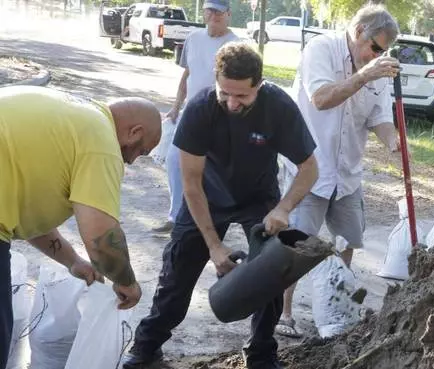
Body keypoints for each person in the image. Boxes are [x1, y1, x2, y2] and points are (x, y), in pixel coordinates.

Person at [122, 43, 318, 369]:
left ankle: (260, 352)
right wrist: (214, 245)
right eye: (225, 92)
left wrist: (283, 208)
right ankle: (146, 346)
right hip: (207, 196)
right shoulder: (200, 108)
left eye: (242, 96)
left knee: (271, 271)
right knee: (177, 275)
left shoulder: (278, 107)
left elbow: (310, 168)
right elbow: (191, 184)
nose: (231, 102)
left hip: (258, 196)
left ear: (259, 84)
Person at [0, 86, 161, 368]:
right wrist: (126, 282)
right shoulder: (101, 141)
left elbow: (29, 209)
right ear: (134, 132)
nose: (133, 160)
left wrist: (73, 261)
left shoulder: (74, 118)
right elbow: (100, 232)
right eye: (142, 151)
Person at [277, 4, 401, 339]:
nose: (377, 55)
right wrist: (364, 75)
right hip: (310, 168)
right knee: (297, 244)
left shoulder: (375, 68)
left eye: (384, 51)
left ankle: (333, 310)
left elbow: (379, 116)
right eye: (375, 47)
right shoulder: (321, 49)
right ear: (359, 31)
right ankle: (284, 314)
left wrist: (393, 141)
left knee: (346, 242)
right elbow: (320, 99)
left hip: (347, 174)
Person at [152, 0, 239, 234]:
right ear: (204, 13)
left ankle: (209, 223)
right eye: (210, 11)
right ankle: (176, 217)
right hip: (190, 113)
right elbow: (187, 75)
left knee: (211, 170)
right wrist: (176, 105)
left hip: (220, 117)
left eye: (219, 12)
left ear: (228, 15)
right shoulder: (193, 38)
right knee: (173, 161)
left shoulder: (236, 45)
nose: (214, 16)